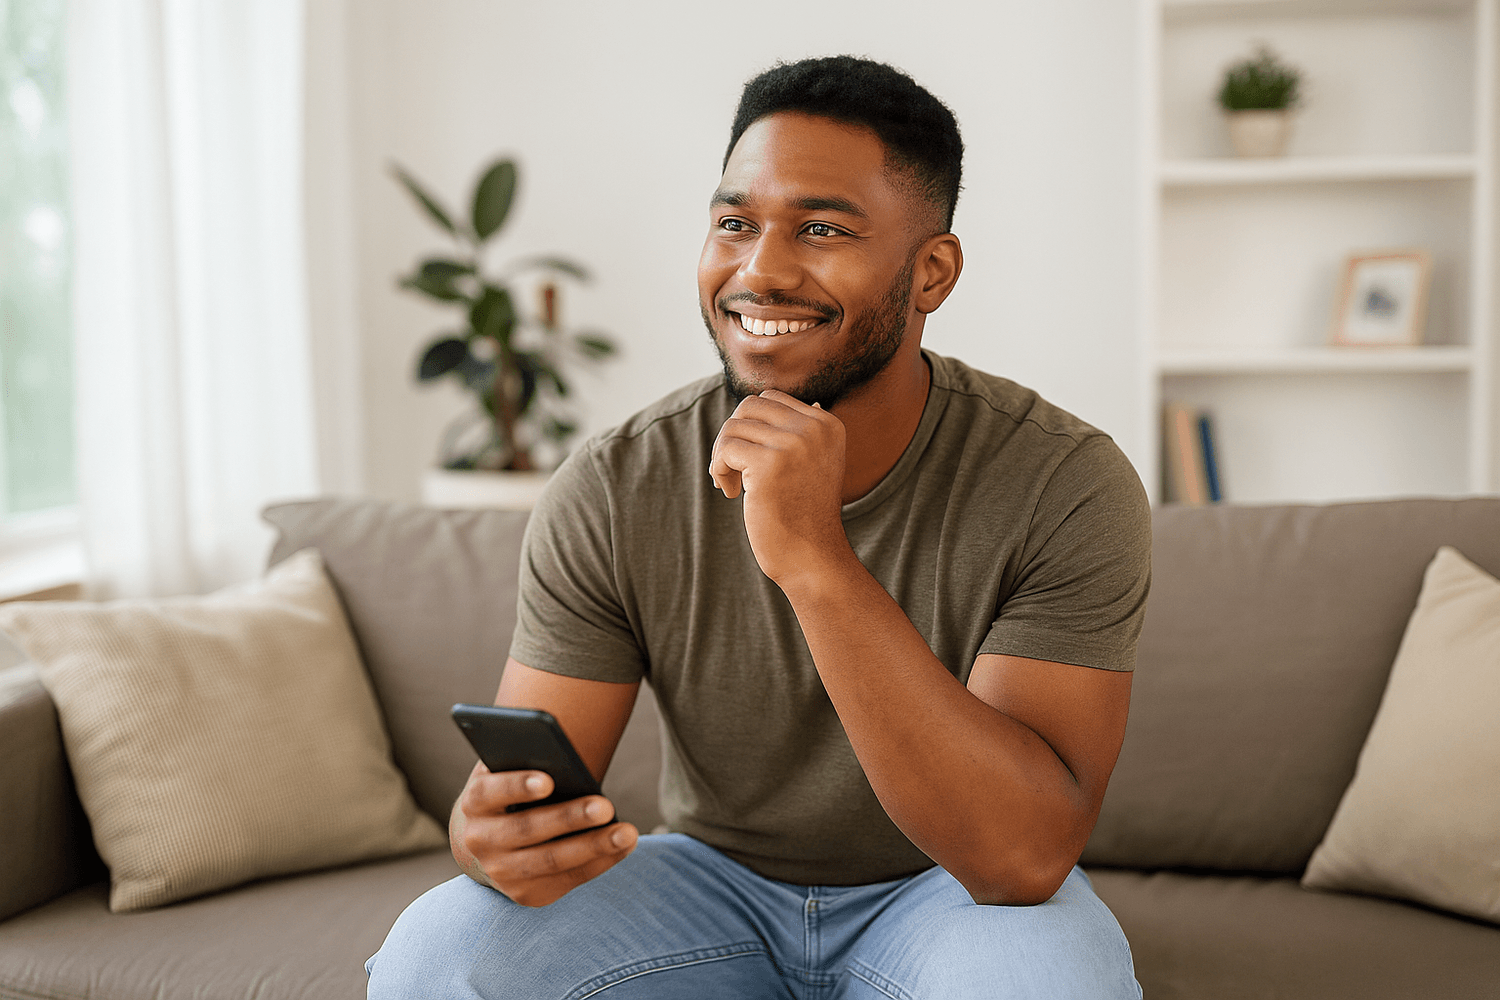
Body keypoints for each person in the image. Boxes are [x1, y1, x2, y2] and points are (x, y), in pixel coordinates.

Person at [367, 55, 1150, 999]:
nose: (760, 271)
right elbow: (520, 804)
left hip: (951, 895)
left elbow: (1018, 859)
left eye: (822, 229)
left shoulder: (1064, 481)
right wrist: (488, 837)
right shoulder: (615, 484)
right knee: (438, 951)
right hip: (707, 887)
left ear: (931, 272)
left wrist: (816, 561)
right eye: (735, 223)